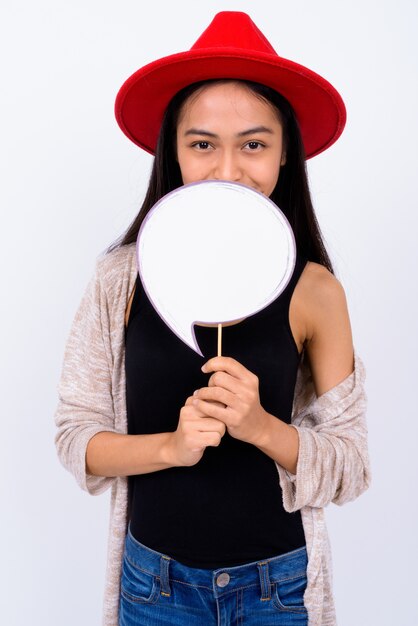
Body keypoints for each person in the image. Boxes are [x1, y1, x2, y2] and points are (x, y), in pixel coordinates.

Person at [55, 11, 371, 626]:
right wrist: (171, 448)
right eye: (202, 145)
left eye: (254, 145)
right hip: (154, 588)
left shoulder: (316, 291)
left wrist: (262, 427)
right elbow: (76, 439)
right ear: (173, 154)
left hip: (278, 589)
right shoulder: (118, 279)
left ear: (286, 156)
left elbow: (351, 468)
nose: (228, 171)